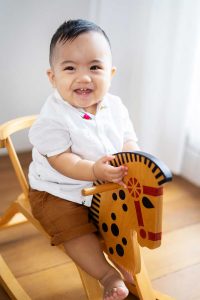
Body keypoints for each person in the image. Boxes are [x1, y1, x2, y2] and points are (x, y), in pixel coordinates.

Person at [28, 19, 139, 300]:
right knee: (73, 228)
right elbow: (62, 160)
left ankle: (127, 259)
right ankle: (107, 274)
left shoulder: (115, 106)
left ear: (110, 73)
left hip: (102, 184)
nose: (84, 77)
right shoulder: (52, 118)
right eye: (70, 68)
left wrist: (133, 159)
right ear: (53, 77)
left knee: (130, 212)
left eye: (94, 67)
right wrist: (93, 170)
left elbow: (128, 140)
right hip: (56, 190)